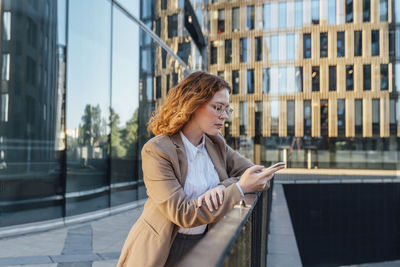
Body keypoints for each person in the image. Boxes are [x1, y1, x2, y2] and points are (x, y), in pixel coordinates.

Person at [117, 71, 285, 267]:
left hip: (203, 245)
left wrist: (223, 187)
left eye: (227, 109)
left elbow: (257, 175)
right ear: (193, 104)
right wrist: (238, 189)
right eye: (217, 108)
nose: (224, 116)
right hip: (160, 250)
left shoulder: (215, 143)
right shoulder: (157, 150)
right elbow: (183, 213)